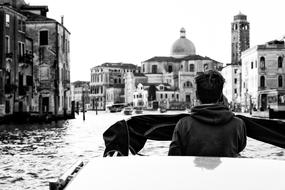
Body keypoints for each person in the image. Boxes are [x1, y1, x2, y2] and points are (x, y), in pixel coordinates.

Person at [168, 70, 247, 157]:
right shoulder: (238, 124)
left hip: (193, 170)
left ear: (197, 95)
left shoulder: (183, 124)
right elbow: (240, 147)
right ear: (221, 96)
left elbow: (173, 156)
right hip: (225, 170)